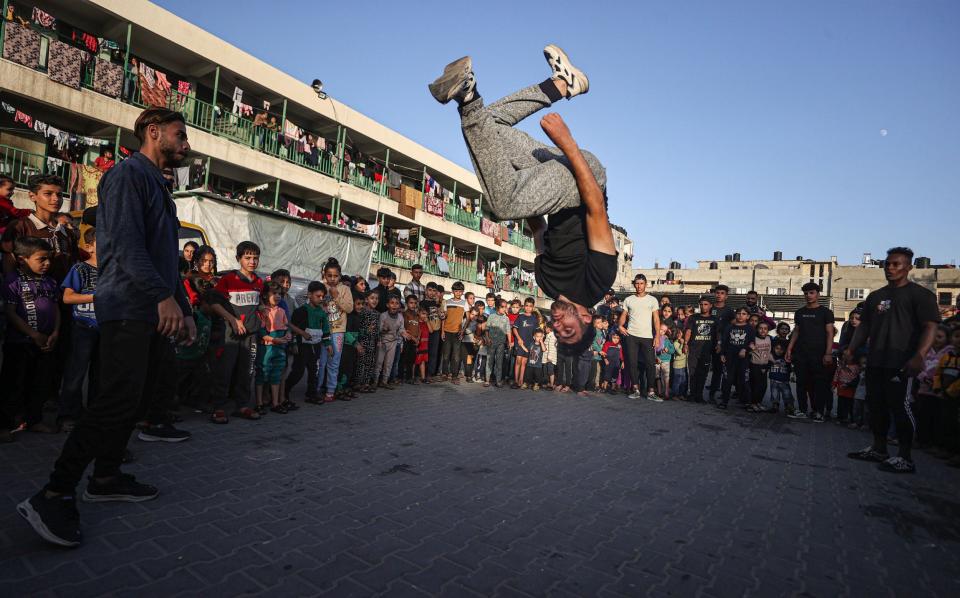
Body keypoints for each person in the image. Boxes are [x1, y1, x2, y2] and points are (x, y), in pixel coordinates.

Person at [18, 107, 197, 547]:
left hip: (152, 307)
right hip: (127, 305)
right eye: (180, 135)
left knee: (133, 397)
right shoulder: (126, 176)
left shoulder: (160, 186)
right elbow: (124, 245)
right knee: (115, 397)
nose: (186, 144)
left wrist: (185, 308)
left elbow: (166, 258)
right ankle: (54, 492)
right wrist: (161, 296)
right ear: (153, 133)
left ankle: (107, 476)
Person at [430, 48, 616, 354]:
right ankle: (467, 95)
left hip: (552, 187)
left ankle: (562, 84)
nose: (557, 325)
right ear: (586, 316)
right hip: (585, 181)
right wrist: (567, 142)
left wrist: (517, 181)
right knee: (503, 204)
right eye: (567, 329)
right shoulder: (598, 280)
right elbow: (595, 205)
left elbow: (539, 230)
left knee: (490, 128)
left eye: (558, 332)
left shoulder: (546, 284)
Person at [844, 247, 941, 474]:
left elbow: (931, 327)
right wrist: (851, 349)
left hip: (902, 362)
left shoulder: (921, 295)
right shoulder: (875, 296)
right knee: (876, 406)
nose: (890, 268)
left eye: (896, 264)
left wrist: (919, 355)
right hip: (876, 359)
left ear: (909, 267)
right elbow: (864, 326)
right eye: (887, 264)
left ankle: (905, 457)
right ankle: (879, 449)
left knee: (901, 407)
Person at [1, 237, 61, 439]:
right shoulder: (12, 281)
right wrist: (33, 334)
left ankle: (34, 420)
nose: (47, 264)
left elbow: (56, 308)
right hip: (19, 344)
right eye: (41, 259)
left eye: (49, 259)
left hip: (45, 344)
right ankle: (5, 424)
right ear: (22, 259)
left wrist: (55, 333)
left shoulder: (50, 282)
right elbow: (10, 312)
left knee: (40, 384)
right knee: (13, 385)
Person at [208, 241, 264, 423]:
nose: (252, 261)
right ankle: (219, 407)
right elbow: (214, 303)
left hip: (251, 336)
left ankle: (242, 405)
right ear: (239, 259)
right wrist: (232, 319)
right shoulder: (228, 279)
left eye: (255, 258)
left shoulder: (259, 282)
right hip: (230, 335)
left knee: (246, 371)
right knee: (224, 370)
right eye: (247, 258)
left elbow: (260, 303)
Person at [57, 227, 100, 432]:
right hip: (83, 327)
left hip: (106, 330)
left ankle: (94, 416)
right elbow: (67, 297)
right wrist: (95, 297)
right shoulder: (79, 269)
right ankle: (67, 416)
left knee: (99, 376)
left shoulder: (113, 269)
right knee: (75, 374)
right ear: (89, 247)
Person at [2, 174, 78, 283]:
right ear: (32, 196)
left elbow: (73, 265)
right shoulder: (19, 226)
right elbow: (8, 266)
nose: (56, 199)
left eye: (59, 194)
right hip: (30, 296)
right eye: (48, 194)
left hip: (63, 296)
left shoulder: (67, 232)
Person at [786, 282, 835, 422]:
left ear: (818, 294)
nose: (808, 295)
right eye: (806, 293)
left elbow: (830, 333)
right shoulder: (800, 312)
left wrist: (828, 353)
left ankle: (818, 411)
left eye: (811, 292)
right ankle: (801, 410)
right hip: (801, 354)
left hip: (819, 355)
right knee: (801, 383)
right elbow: (796, 331)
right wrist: (789, 348)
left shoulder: (826, 312)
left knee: (818, 384)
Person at [286, 281, 331, 405]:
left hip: (315, 346)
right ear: (309, 295)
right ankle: (284, 392)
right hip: (302, 347)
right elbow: (293, 328)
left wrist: (328, 345)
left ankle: (311, 394)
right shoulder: (300, 311)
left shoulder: (322, 313)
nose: (321, 299)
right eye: (318, 296)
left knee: (313, 371)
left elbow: (326, 329)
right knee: (298, 371)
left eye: (323, 296)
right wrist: (294, 344)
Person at [620, 273, 661, 400]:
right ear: (634, 284)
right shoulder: (628, 299)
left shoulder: (652, 300)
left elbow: (656, 319)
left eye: (641, 283)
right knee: (632, 363)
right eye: (637, 283)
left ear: (646, 284)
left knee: (650, 364)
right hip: (631, 335)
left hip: (647, 336)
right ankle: (636, 390)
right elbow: (623, 315)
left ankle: (651, 392)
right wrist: (620, 325)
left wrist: (657, 336)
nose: (639, 286)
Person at [255, 282, 292, 414]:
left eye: (279, 294)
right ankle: (259, 403)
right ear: (265, 295)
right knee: (262, 374)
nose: (277, 296)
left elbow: (286, 327)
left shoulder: (281, 311)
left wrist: (287, 335)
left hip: (279, 348)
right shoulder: (263, 311)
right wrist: (273, 339)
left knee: (276, 374)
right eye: (274, 293)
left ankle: (275, 403)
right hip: (266, 349)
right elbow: (261, 332)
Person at [320, 258, 354, 402]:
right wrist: (317, 308)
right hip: (322, 331)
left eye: (335, 276)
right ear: (324, 275)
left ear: (340, 276)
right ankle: (316, 389)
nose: (332, 279)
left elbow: (349, 308)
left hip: (338, 331)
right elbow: (301, 297)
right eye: (329, 275)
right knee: (321, 363)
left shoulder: (345, 289)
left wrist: (336, 296)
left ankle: (331, 390)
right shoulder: (320, 287)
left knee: (334, 361)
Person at [932, 327, 960, 466]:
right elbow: (938, 373)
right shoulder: (947, 356)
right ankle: (945, 448)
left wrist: (950, 391)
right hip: (943, 394)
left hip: (954, 396)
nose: (959, 340)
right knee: (945, 421)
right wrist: (937, 388)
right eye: (956, 336)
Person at [719, 308, 755, 409]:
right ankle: (724, 401)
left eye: (743, 314)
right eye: (738, 313)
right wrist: (722, 354)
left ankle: (747, 402)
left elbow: (752, 343)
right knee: (727, 380)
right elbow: (724, 341)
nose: (740, 316)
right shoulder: (729, 327)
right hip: (729, 358)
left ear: (747, 316)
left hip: (743, 359)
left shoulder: (750, 328)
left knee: (744, 380)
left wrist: (745, 349)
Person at [684, 296, 718, 403]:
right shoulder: (693, 317)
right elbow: (688, 331)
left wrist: (719, 344)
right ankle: (692, 394)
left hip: (707, 352)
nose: (703, 306)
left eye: (706, 304)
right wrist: (685, 343)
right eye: (701, 304)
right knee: (692, 373)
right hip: (693, 350)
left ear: (710, 306)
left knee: (703, 374)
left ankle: (699, 395)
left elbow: (718, 334)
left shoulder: (714, 319)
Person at [708, 285, 735, 402]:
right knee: (702, 368)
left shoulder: (729, 310)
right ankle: (695, 391)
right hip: (707, 341)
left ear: (726, 296)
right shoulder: (709, 307)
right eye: (717, 292)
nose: (719, 295)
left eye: (722, 293)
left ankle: (713, 394)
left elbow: (733, 325)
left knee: (718, 370)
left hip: (721, 344)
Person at [440, 281, 468, 383]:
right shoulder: (447, 302)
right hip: (447, 331)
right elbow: (443, 317)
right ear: (452, 291)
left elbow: (468, 318)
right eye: (456, 291)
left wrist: (462, 331)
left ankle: (454, 376)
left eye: (460, 291)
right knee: (446, 355)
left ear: (462, 292)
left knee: (456, 356)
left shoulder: (464, 303)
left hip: (457, 333)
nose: (458, 293)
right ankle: (444, 374)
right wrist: (442, 331)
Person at [375, 296, 405, 389]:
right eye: (392, 303)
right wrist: (383, 329)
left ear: (399, 306)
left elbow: (401, 329)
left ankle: (384, 381)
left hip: (393, 342)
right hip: (382, 341)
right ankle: (375, 381)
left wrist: (403, 333)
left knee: (389, 363)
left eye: (397, 303)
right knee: (379, 362)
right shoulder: (383, 315)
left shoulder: (400, 317)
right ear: (388, 305)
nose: (394, 305)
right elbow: (378, 330)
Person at [512, 297, 539, 389]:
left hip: (528, 345)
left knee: (524, 363)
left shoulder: (535, 319)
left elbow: (537, 333)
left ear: (533, 307)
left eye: (530, 306)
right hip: (519, 343)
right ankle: (515, 381)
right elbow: (514, 328)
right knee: (518, 362)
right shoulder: (521, 317)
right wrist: (519, 339)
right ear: (524, 306)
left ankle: (521, 381)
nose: (528, 308)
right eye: (526, 306)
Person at [421, 282, 445, 378]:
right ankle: (422, 373)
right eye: (430, 290)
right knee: (423, 352)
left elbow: (442, 317)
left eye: (434, 291)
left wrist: (438, 306)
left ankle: (430, 373)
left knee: (433, 353)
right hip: (425, 331)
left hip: (436, 331)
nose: (431, 293)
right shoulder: (422, 303)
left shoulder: (438, 304)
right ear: (426, 290)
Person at [747, 321, 772, 413]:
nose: (763, 330)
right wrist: (750, 348)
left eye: (765, 329)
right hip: (754, 365)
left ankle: (758, 402)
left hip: (765, 365)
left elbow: (769, 352)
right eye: (760, 328)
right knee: (755, 385)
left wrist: (774, 361)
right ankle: (752, 403)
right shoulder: (753, 339)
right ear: (757, 329)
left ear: (768, 330)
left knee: (763, 386)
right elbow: (748, 351)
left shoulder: (769, 339)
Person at [486, 299, 511, 387]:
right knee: (490, 361)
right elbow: (487, 329)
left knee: (499, 362)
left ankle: (498, 381)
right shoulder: (491, 316)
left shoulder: (506, 318)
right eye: (502, 307)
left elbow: (508, 331)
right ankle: (487, 380)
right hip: (491, 343)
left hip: (501, 343)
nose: (504, 309)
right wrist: (488, 338)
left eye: (506, 307)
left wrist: (509, 342)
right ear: (497, 307)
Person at [768, 343, 796, 416]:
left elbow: (791, 367)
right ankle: (775, 406)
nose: (779, 351)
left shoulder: (786, 358)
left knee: (787, 394)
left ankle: (789, 406)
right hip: (773, 380)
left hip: (784, 380)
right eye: (777, 348)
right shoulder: (772, 358)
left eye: (781, 349)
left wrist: (793, 374)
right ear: (773, 349)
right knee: (774, 394)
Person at [400, 295, 421, 383]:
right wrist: (413, 338)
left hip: (415, 341)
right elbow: (404, 329)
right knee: (404, 359)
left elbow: (419, 328)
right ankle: (400, 377)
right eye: (411, 303)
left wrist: (418, 339)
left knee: (412, 360)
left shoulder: (417, 315)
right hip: (407, 341)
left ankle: (409, 378)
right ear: (407, 303)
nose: (413, 305)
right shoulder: (405, 314)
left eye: (415, 303)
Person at [654, 324, 675, 400]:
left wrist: (668, 350)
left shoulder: (667, 340)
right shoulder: (655, 338)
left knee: (666, 377)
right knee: (657, 376)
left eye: (664, 331)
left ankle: (666, 392)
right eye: (661, 329)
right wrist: (656, 357)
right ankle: (659, 392)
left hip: (666, 360)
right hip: (657, 360)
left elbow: (673, 350)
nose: (662, 331)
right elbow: (653, 350)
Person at [414, 307, 431, 384]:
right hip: (419, 343)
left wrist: (427, 322)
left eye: (426, 314)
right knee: (416, 361)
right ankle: (413, 377)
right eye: (423, 314)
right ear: (418, 313)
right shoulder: (416, 322)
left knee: (423, 361)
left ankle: (423, 378)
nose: (425, 316)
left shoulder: (426, 322)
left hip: (425, 344)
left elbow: (431, 330)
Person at [671, 331, 688, 400]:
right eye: (679, 333)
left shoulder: (684, 342)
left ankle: (681, 394)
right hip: (677, 365)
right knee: (677, 381)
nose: (681, 334)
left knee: (683, 381)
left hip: (683, 364)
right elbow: (680, 353)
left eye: (681, 333)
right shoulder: (675, 343)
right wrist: (681, 344)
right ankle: (675, 395)